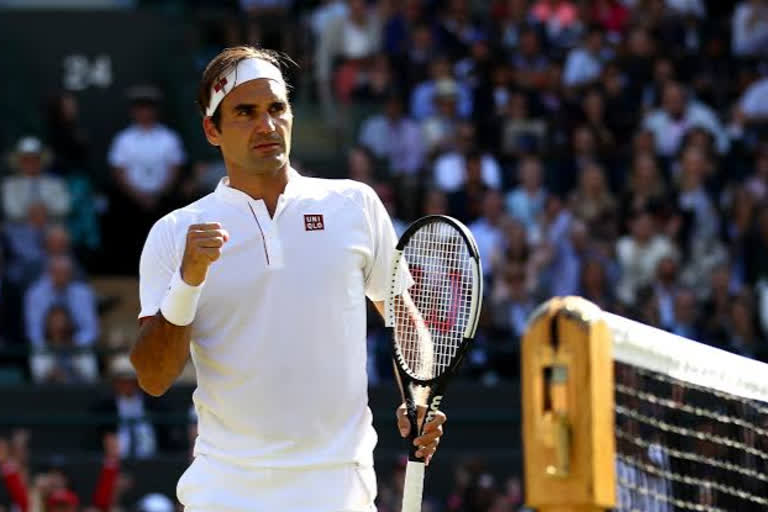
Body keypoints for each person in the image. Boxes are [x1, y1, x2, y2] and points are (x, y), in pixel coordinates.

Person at [129, 46, 446, 511]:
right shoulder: (174, 233)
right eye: (246, 112)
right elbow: (154, 377)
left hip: (341, 491)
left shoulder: (355, 205)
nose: (267, 125)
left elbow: (401, 312)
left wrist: (418, 395)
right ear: (211, 130)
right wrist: (188, 282)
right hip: (227, 494)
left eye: (277, 108)